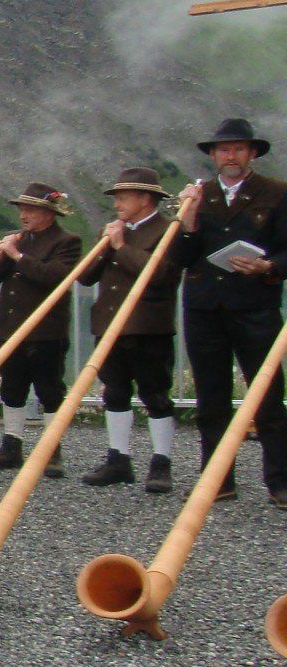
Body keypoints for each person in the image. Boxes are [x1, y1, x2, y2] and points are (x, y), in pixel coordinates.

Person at [173, 116, 287, 505]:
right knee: (211, 396)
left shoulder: (276, 193)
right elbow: (181, 258)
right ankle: (217, 480)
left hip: (255, 305)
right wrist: (186, 225)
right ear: (214, 156)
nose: (231, 156)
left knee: (268, 395)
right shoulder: (197, 195)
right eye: (224, 149)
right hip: (204, 307)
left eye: (239, 148)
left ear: (252, 153)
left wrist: (269, 266)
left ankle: (280, 481)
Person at [79, 168, 181, 492]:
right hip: (110, 325)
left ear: (145, 199)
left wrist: (122, 247)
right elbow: (86, 276)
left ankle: (160, 463)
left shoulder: (169, 230)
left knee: (155, 393)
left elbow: (162, 274)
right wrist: (106, 244)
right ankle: (118, 459)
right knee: (115, 392)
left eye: (124, 198)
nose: (118, 204)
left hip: (148, 327)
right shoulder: (112, 230)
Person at [0, 183, 84, 474]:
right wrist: (2, 253)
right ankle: (11, 445)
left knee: (49, 389)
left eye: (30, 210)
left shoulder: (67, 241)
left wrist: (16, 255)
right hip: (11, 328)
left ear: (48, 213)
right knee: (12, 387)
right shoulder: (18, 240)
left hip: (45, 330)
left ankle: (52, 450)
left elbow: (54, 276)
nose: (23, 215)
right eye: (22, 209)